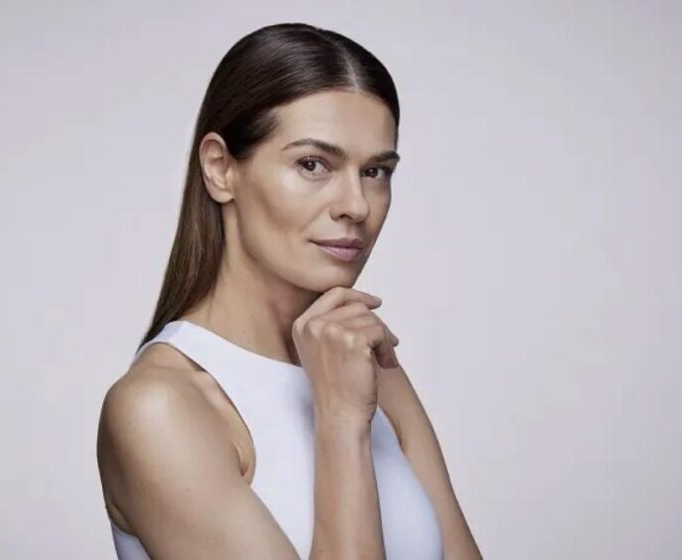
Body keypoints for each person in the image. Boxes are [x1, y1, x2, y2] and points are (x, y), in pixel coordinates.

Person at [96, 22, 482, 560]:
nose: (357, 205)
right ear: (220, 169)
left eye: (375, 171)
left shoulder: (363, 358)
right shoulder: (159, 408)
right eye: (313, 164)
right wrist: (341, 422)